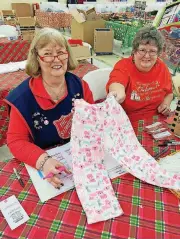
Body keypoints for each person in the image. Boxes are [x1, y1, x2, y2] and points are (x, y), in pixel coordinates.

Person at [5, 28, 94, 189]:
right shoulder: (21, 98)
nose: (56, 59)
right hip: (43, 161)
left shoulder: (80, 86)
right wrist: (43, 161)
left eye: (61, 52)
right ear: (37, 58)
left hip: (77, 156)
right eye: (47, 54)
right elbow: (15, 141)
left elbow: (92, 121)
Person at [106, 25, 173, 125]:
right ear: (134, 50)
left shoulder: (162, 67)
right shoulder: (123, 66)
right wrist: (117, 94)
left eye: (152, 51)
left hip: (156, 119)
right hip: (128, 121)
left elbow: (169, 93)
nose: (146, 56)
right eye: (142, 50)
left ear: (158, 53)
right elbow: (116, 83)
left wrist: (165, 104)